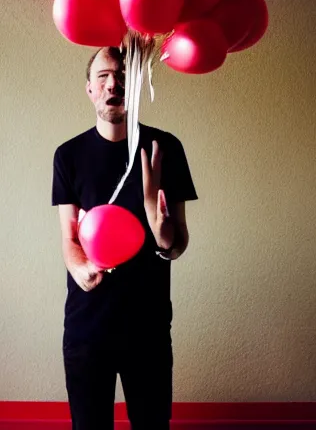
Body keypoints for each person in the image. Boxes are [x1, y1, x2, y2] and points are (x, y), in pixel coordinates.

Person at [51, 46, 198, 430]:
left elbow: (177, 244)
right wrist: (81, 267)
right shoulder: (68, 156)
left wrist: (156, 219)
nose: (113, 83)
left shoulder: (165, 149)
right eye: (103, 76)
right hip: (86, 330)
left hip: (146, 330)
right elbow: (69, 239)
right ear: (90, 89)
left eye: (122, 75)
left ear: (135, 85)